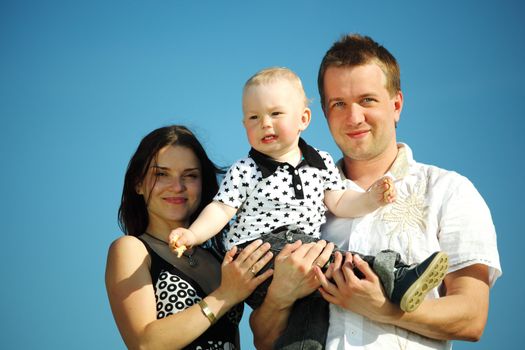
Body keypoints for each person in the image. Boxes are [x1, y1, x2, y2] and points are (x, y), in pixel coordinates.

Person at [250, 34, 502, 350]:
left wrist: (383, 309)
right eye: (338, 104)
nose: (354, 118)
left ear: (396, 105)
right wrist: (280, 297)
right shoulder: (297, 202)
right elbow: (261, 338)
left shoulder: (449, 191)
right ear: (325, 115)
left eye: (367, 100)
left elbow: (471, 318)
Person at [170, 68, 450, 348]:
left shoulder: (321, 162)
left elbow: (340, 202)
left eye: (275, 114)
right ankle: (396, 275)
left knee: (315, 310)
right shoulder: (247, 169)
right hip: (259, 253)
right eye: (254, 118)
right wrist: (192, 235)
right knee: (335, 259)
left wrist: (370, 199)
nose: (265, 124)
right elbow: (221, 209)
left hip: (301, 253)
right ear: (245, 126)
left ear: (303, 118)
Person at [105, 125, 275, 350]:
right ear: (138, 183)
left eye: (190, 175)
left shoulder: (220, 257)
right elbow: (145, 343)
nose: (177, 187)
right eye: (161, 174)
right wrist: (226, 295)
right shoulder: (131, 249)